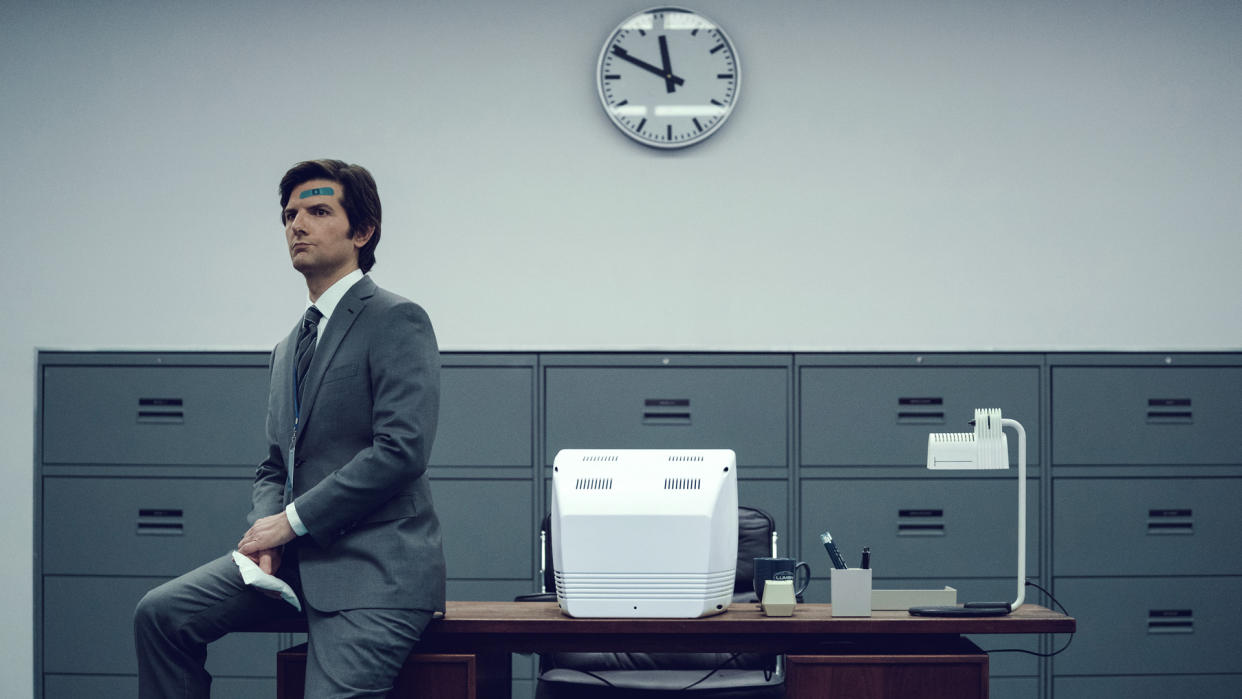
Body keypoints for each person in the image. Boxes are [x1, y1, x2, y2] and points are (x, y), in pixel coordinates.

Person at [134, 159, 445, 698]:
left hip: (373, 572)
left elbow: (401, 450)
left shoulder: (396, 319)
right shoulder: (287, 348)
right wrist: (265, 535)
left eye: (319, 210)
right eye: (290, 214)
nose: (297, 224)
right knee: (161, 615)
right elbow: (275, 465)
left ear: (362, 231)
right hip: (290, 564)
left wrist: (292, 522)